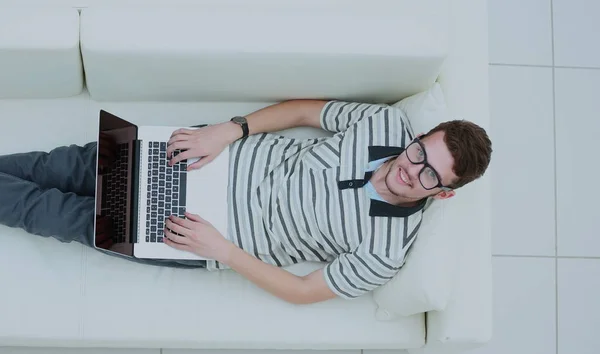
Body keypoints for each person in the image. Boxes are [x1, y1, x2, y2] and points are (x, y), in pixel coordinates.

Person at [0, 100, 492, 304]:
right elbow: (304, 110)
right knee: (54, 167)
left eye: (429, 174)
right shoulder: (384, 122)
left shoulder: (387, 251)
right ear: (419, 136)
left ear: (443, 192)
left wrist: (222, 251)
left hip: (202, 231)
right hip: (203, 158)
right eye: (418, 151)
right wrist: (226, 130)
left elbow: (303, 291)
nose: (410, 168)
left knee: (50, 213)